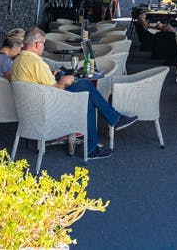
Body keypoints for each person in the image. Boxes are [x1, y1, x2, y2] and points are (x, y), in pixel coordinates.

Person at [11, 27, 137, 160]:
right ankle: (111, 122)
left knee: (85, 95)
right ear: (37, 44)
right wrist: (63, 81)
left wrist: (54, 75)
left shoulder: (18, 60)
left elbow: (37, 83)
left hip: (31, 109)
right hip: (47, 108)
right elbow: (55, 89)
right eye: (43, 43)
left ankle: (101, 135)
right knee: (85, 87)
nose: (44, 47)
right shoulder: (37, 63)